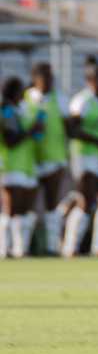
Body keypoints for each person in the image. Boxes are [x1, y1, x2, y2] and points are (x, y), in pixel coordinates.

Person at [65, 59, 98, 258]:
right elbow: (72, 129)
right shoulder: (82, 101)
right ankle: (71, 246)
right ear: (91, 79)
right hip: (85, 157)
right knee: (86, 202)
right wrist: (95, 140)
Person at [26, 63, 68, 256]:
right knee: (26, 206)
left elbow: (69, 126)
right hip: (29, 159)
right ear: (36, 79)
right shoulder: (26, 98)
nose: (50, 82)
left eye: (52, 77)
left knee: (52, 204)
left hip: (54, 157)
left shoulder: (59, 98)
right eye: (46, 78)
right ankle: (22, 248)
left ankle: (52, 247)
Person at [1, 78, 41, 257]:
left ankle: (20, 248)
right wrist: (31, 131)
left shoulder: (21, 110)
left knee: (24, 210)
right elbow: (11, 140)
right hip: (11, 164)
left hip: (27, 165)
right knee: (11, 209)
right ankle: (4, 248)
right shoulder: (7, 111)